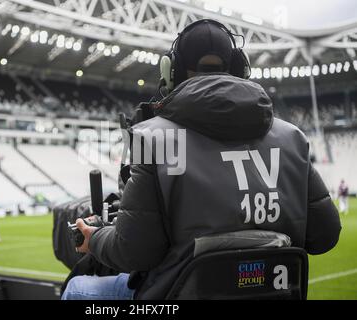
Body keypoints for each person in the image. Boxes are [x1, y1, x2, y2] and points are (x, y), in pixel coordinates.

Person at [62, 19, 341, 300]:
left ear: (170, 72)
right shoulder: (292, 137)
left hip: (176, 294)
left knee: (78, 290)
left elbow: (134, 252)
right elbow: (325, 235)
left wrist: (94, 237)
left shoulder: (149, 137)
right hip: (275, 294)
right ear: (240, 69)